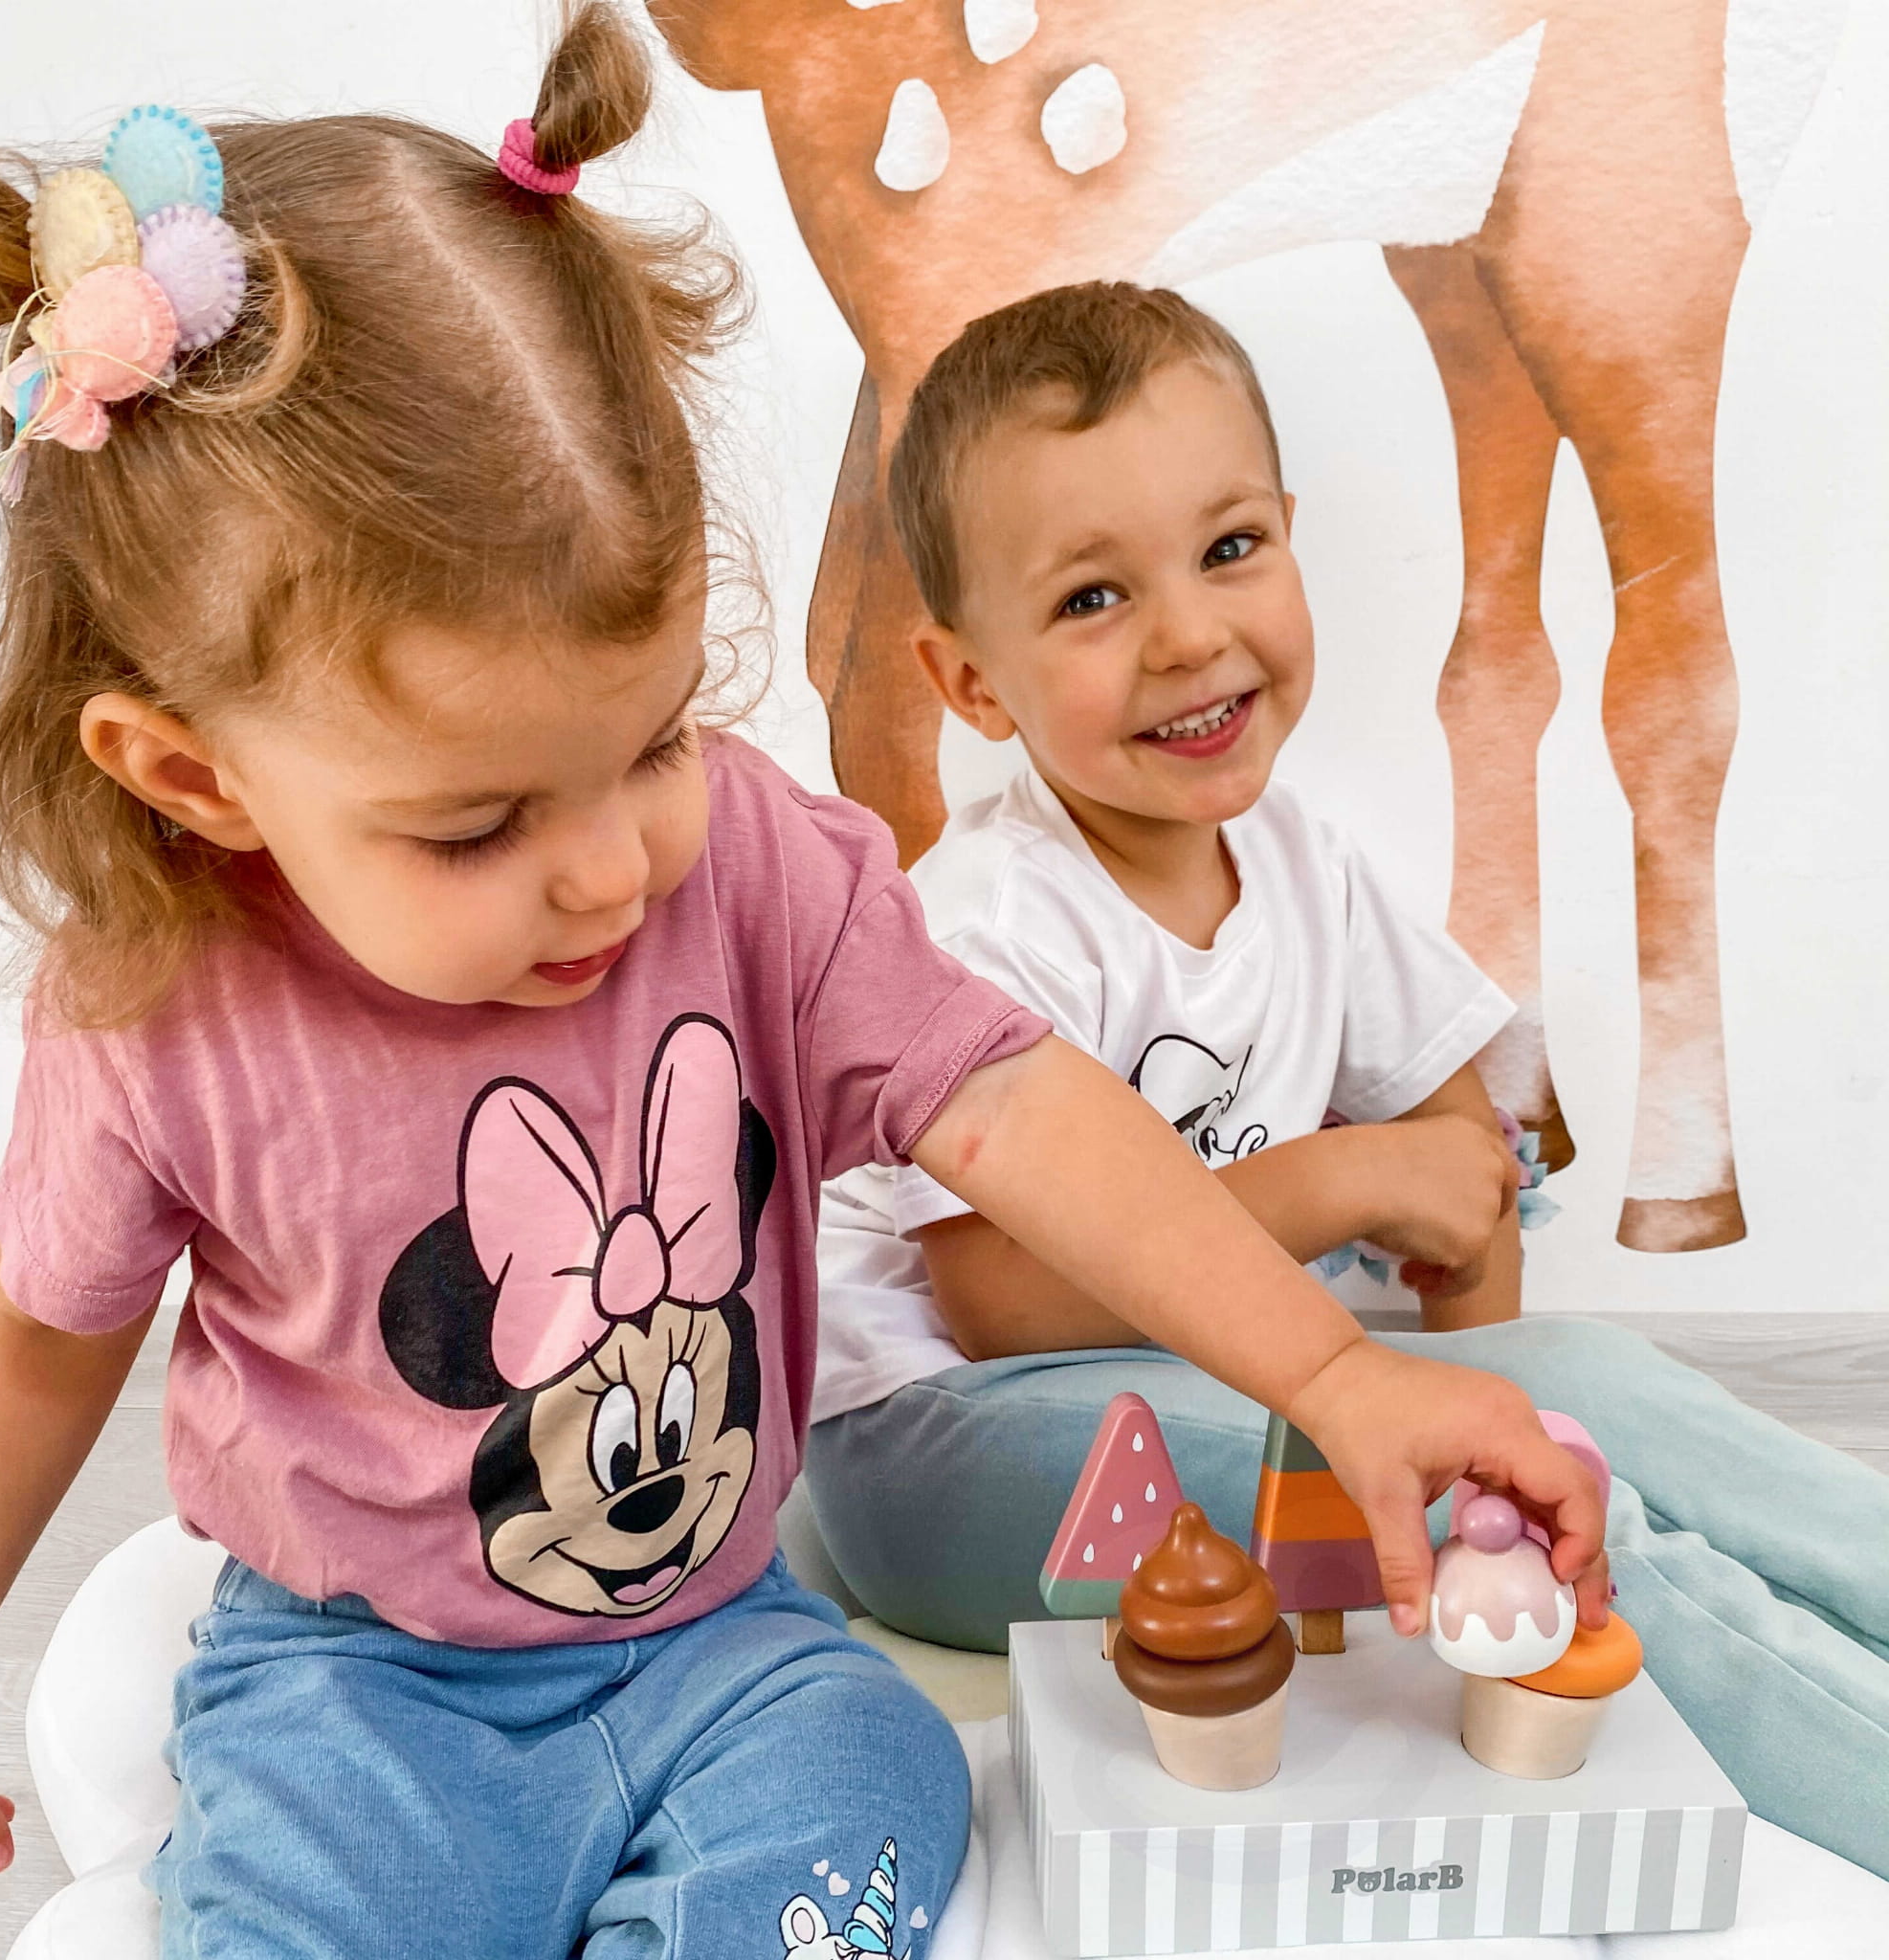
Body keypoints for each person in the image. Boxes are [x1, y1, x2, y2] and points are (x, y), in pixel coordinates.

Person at [0, 14, 1606, 1952]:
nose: (609, 866)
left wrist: (1329, 1370)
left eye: (655, 739)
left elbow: (1018, 1107)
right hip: (360, 1689)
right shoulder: (162, 1014)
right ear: (195, 774)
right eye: (476, 826)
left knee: (882, 1775)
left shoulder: (750, 862)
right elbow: (37, 1342)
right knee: (321, 1901)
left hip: (721, 1644)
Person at [809, 280, 1889, 1879]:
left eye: (1230, 547)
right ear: (973, 684)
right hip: (946, 1448)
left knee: (1611, 1390)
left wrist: (1494, 1390)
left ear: (1291, 539)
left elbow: (1463, 1177)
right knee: (1555, 1518)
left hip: (1195, 1389)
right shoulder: (993, 920)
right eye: (1094, 597)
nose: (1191, 634)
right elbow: (1002, 1303)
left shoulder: (1302, 861)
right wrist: (1345, 1185)